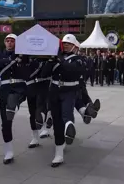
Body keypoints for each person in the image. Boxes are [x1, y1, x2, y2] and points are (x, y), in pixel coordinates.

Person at [41, 34, 83, 167]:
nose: (65, 45)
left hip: (69, 92)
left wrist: (60, 60)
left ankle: (69, 130)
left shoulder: (78, 59)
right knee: (57, 122)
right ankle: (59, 154)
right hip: (54, 91)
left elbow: (74, 70)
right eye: (64, 43)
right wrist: (50, 62)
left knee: (66, 115)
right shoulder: (55, 58)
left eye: (68, 44)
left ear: (74, 46)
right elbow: (44, 74)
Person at [0, 33, 30, 164]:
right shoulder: (0, 55)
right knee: (6, 122)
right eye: (7, 41)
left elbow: (29, 66)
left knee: (14, 101)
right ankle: (8, 151)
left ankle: (15, 105)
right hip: (5, 89)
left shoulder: (23, 54)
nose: (9, 43)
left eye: (12, 41)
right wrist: (8, 60)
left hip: (19, 87)